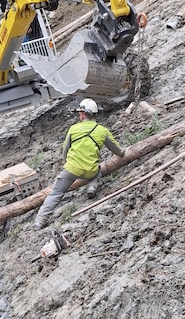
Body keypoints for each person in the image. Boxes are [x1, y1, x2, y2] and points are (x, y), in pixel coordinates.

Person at [34, 98, 125, 230]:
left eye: (79, 113)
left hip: (71, 169)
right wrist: (123, 153)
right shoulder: (102, 131)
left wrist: (68, 165)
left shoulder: (73, 129)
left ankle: (39, 221)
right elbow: (117, 150)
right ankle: (91, 187)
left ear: (83, 114)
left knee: (56, 193)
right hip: (90, 170)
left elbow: (65, 151)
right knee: (98, 169)